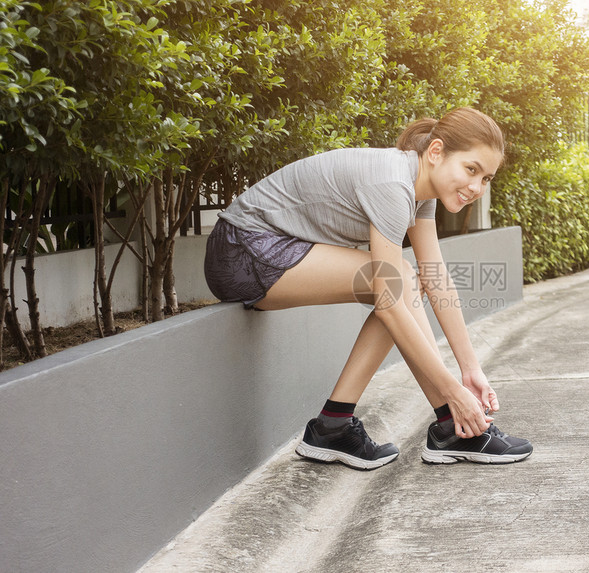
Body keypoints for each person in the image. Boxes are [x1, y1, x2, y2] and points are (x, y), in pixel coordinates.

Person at [204, 107, 532, 470]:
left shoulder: (419, 189)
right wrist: (455, 393)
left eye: (486, 178)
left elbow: (437, 277)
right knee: (397, 283)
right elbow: (390, 300)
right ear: (436, 152)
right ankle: (449, 425)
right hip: (241, 250)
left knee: (402, 282)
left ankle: (339, 425)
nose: (476, 187)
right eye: (471, 169)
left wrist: (471, 371)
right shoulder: (393, 185)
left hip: (269, 249)